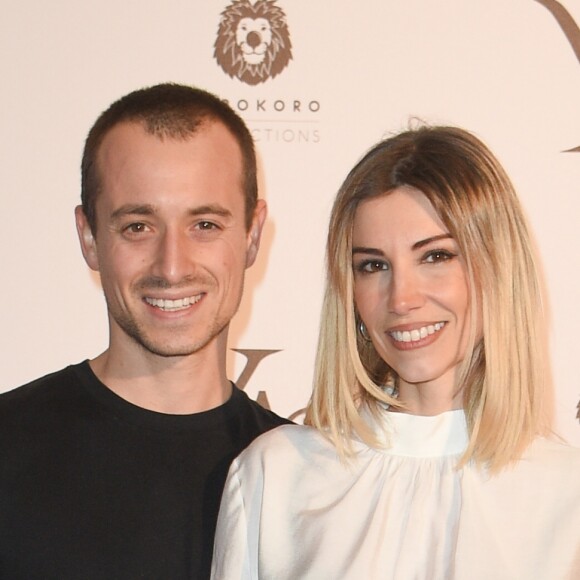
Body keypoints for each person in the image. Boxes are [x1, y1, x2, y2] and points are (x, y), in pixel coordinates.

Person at [211, 126, 580, 579]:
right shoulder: (276, 478)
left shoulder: (567, 493)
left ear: (499, 265)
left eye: (436, 256)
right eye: (373, 265)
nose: (401, 298)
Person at [0, 83, 290, 579]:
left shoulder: (306, 481)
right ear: (89, 238)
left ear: (252, 235)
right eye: (138, 226)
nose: (172, 267)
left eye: (204, 225)